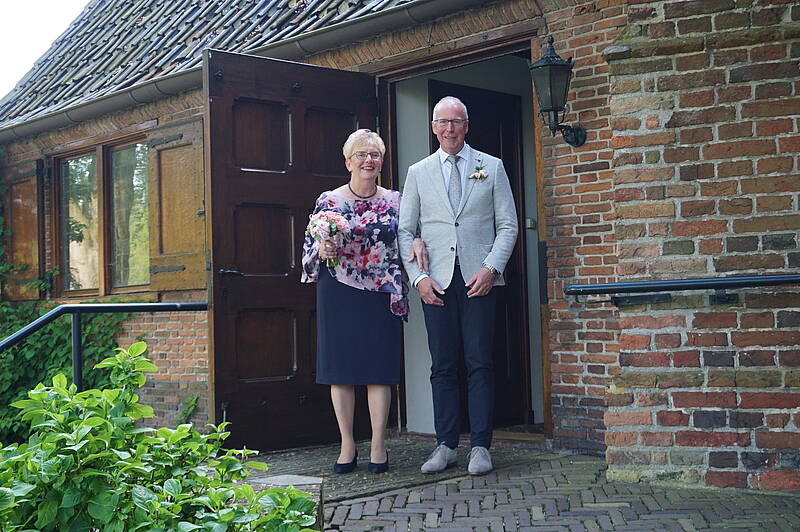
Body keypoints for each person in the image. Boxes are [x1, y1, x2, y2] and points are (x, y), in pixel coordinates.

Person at [398, 96, 518, 476]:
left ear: (467, 125)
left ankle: (480, 446)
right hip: (436, 282)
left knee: (480, 363)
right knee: (443, 366)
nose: (449, 128)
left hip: (478, 280)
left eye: (456, 121)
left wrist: (491, 268)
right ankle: (446, 445)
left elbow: (508, 225)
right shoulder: (418, 172)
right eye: (442, 122)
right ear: (434, 127)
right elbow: (405, 231)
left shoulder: (491, 167)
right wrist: (418, 279)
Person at [301, 128, 425, 474]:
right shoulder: (329, 201)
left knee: (378, 370)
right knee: (340, 370)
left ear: (381, 162)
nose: (368, 160)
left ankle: (378, 445)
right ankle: (347, 444)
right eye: (361, 154)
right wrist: (323, 248)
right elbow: (310, 244)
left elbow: (411, 233)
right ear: (348, 162)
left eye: (374, 155)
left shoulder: (397, 200)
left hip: (381, 290)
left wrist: (418, 240)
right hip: (338, 289)